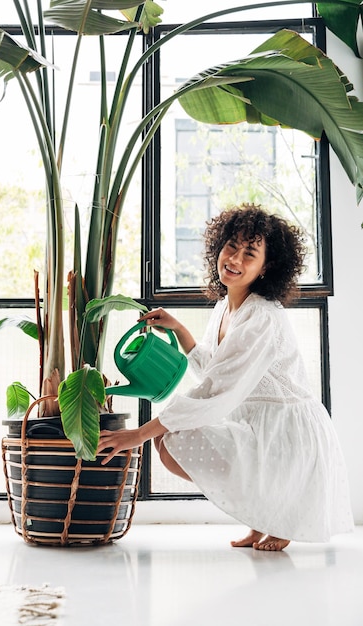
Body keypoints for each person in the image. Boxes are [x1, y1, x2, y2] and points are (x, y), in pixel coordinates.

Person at [98, 204, 354, 551]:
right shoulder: (226, 307)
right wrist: (180, 329)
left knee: (165, 436)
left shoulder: (262, 316)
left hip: (285, 427)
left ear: (267, 268)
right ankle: (262, 518)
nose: (234, 258)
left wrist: (138, 434)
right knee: (167, 441)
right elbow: (214, 369)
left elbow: (216, 389)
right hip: (253, 418)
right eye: (231, 246)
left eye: (250, 253)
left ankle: (282, 519)